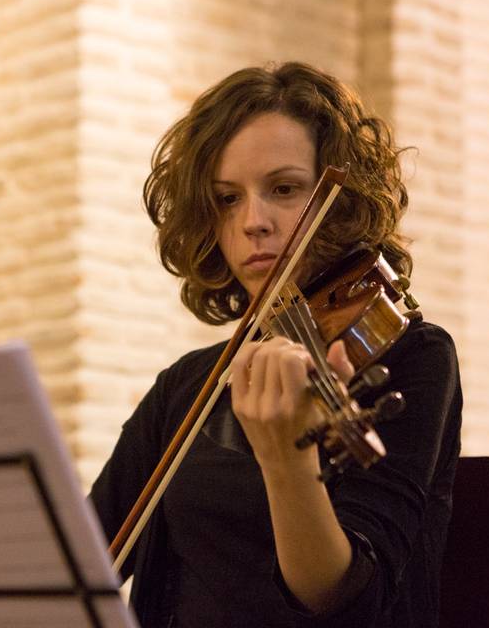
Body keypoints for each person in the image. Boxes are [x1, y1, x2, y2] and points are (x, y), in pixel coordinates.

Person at [89, 62, 462, 628]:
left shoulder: (411, 357)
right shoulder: (188, 387)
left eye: (284, 190)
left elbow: (345, 599)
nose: (253, 222)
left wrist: (288, 460)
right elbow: (84, 560)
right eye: (227, 199)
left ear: (338, 202)